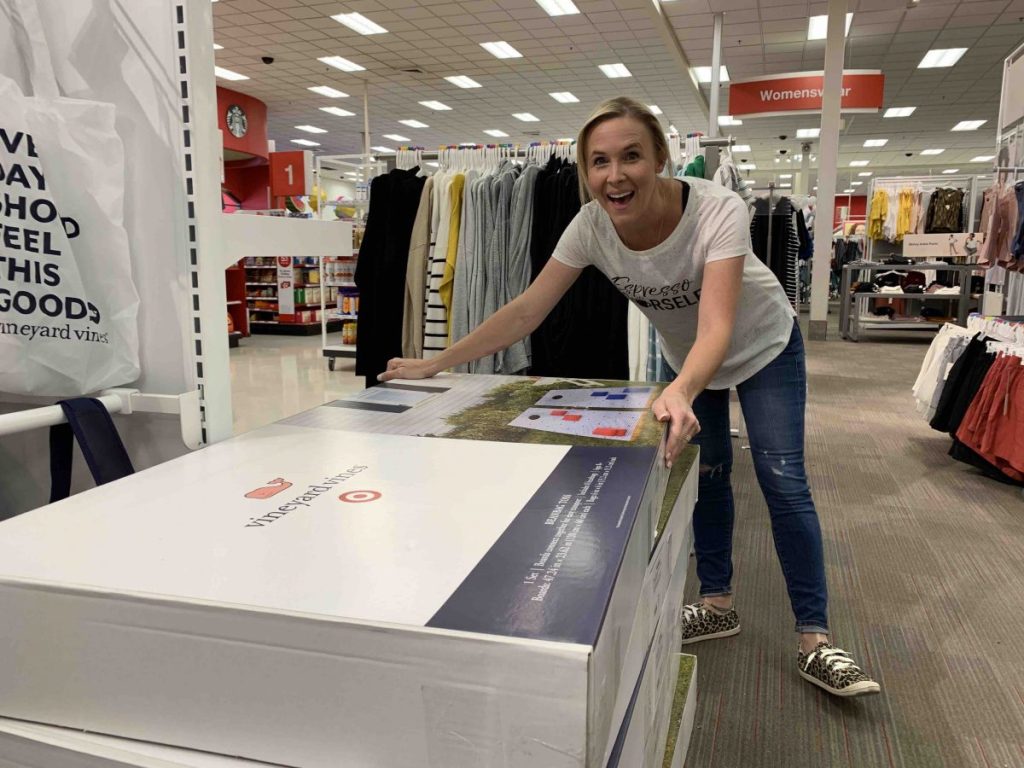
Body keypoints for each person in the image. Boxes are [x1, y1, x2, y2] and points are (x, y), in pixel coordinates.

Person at [379, 97, 880, 698]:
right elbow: (527, 311)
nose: (615, 175)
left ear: (662, 159)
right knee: (709, 473)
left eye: (631, 157)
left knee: (781, 479)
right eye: (599, 162)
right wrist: (435, 363)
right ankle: (717, 602)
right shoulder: (591, 225)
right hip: (688, 360)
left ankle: (816, 639)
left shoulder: (718, 209)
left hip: (763, 346)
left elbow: (718, 326)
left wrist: (683, 390)